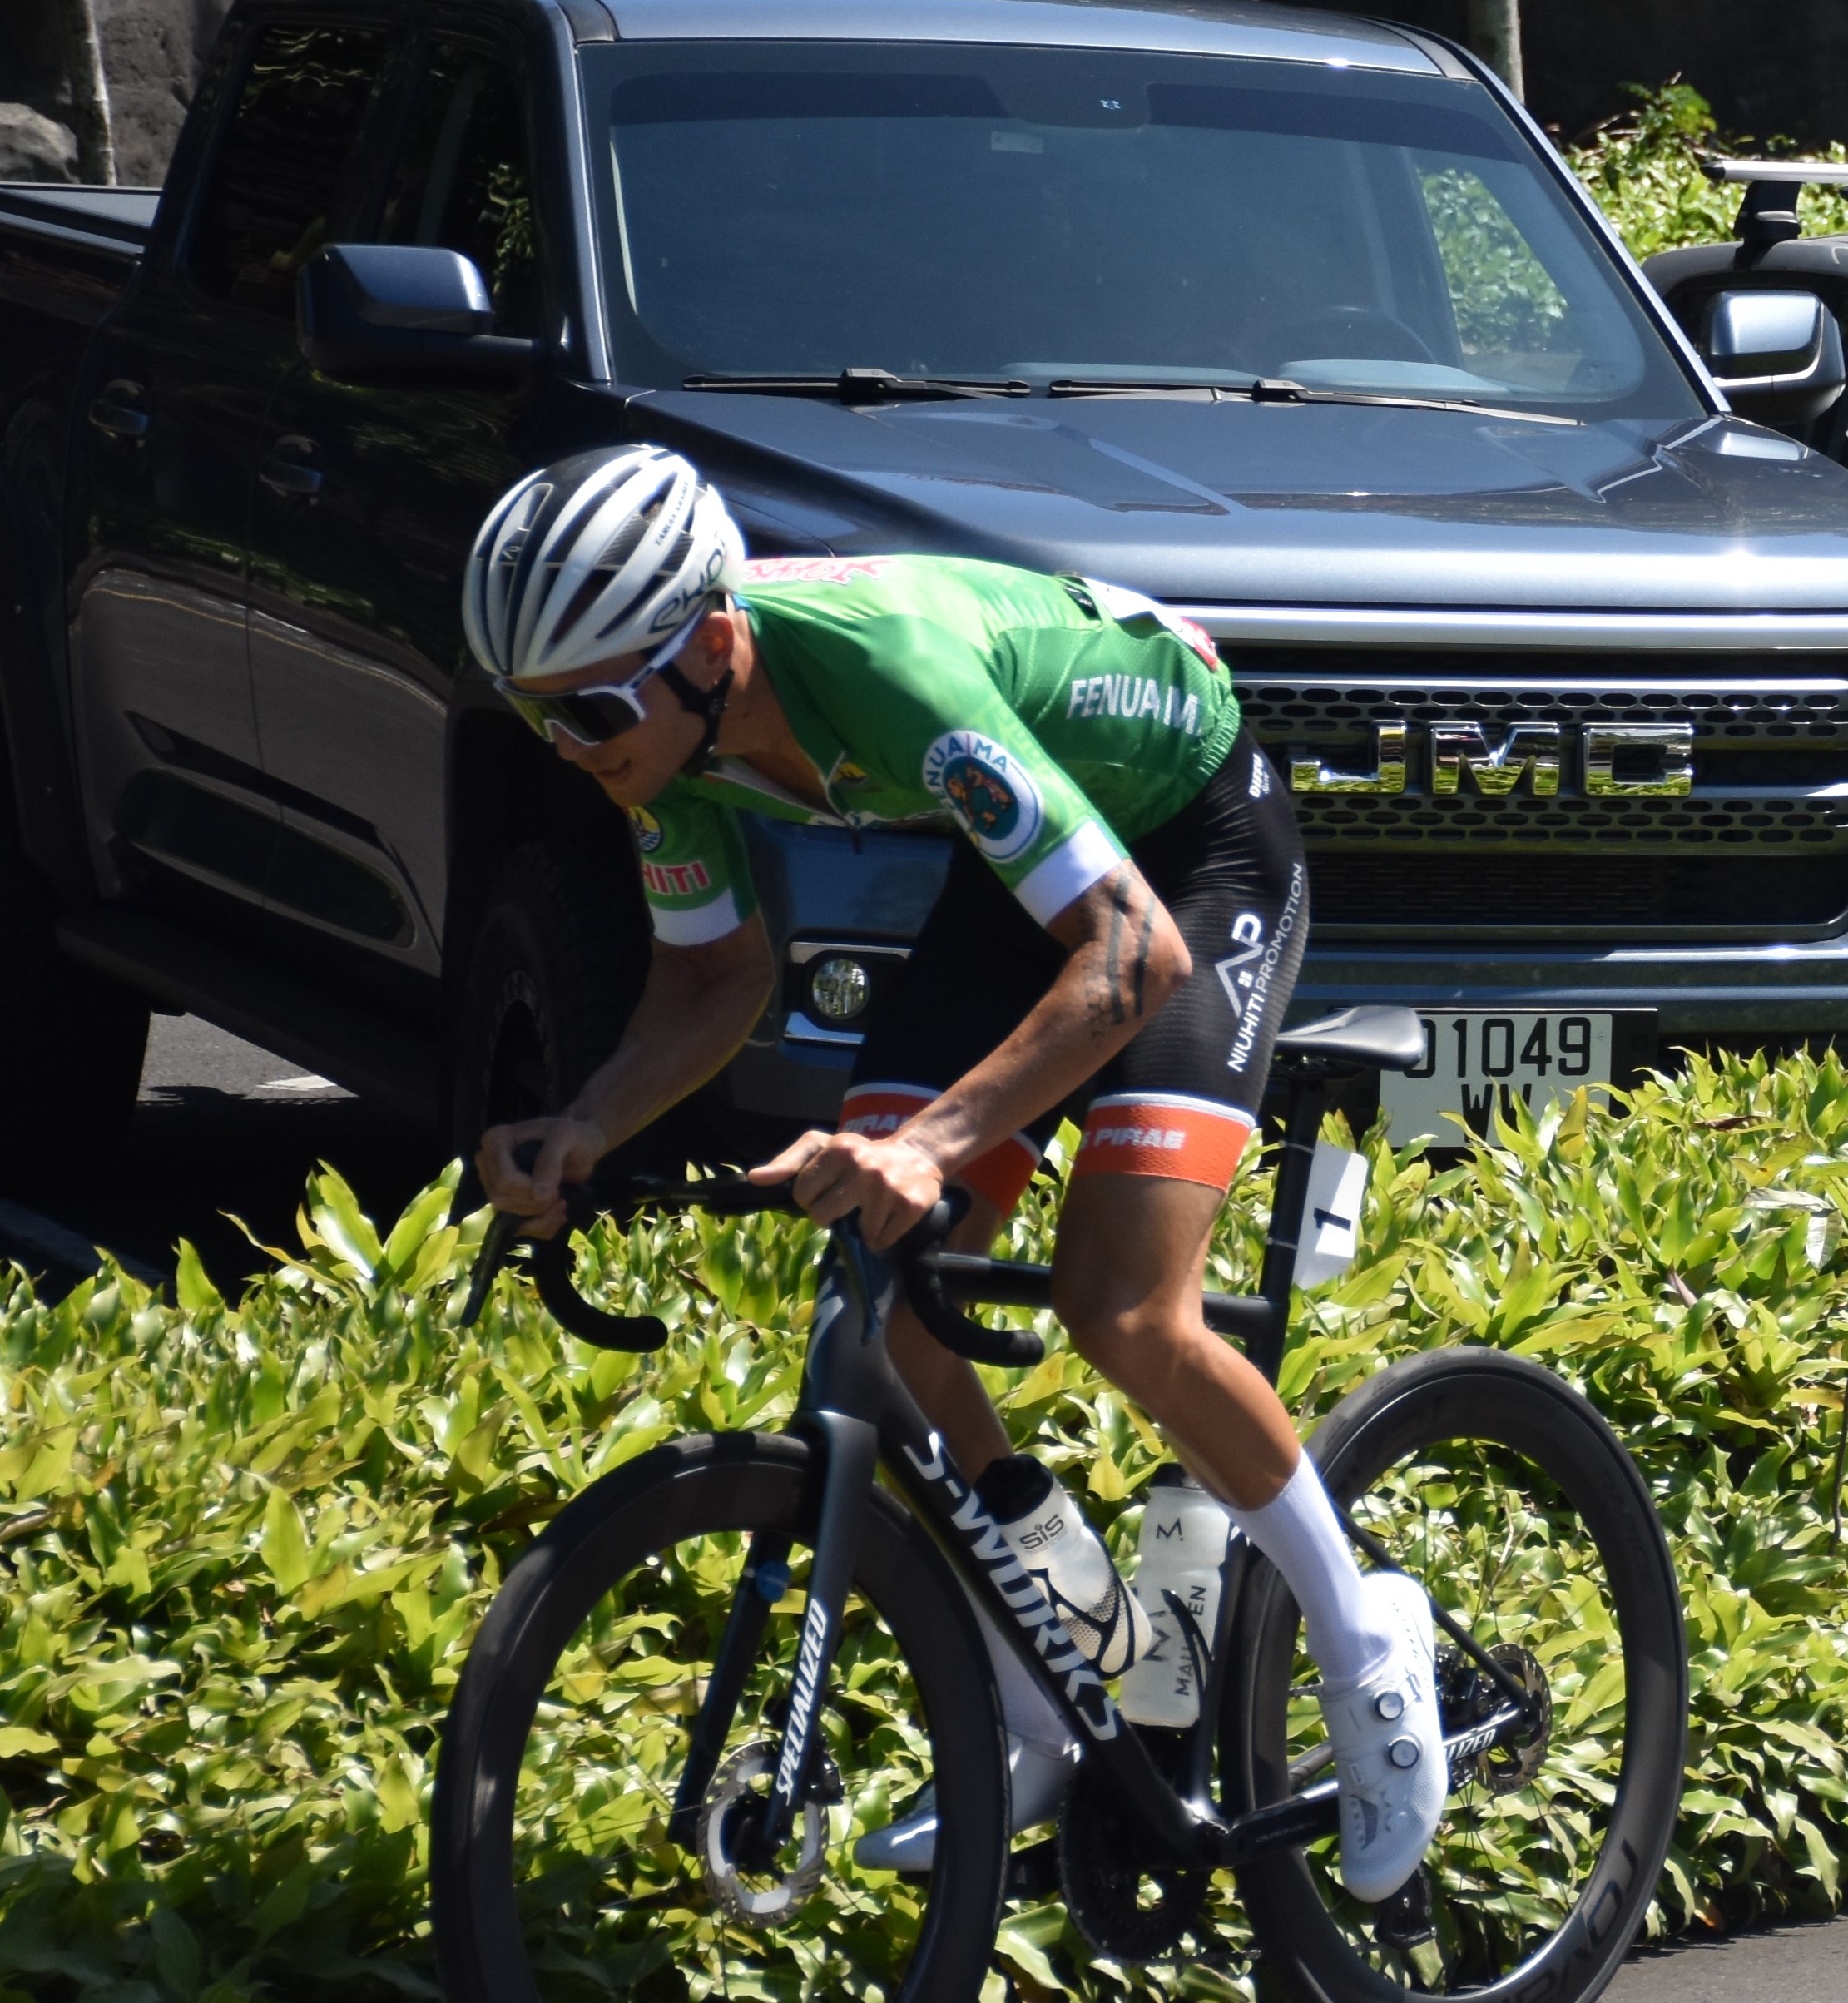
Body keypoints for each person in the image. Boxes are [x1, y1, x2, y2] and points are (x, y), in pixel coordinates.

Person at [459, 444, 1447, 1898]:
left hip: (1190, 857)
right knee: (881, 1309)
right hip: (1026, 873)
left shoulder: (889, 671)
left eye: (595, 708)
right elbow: (715, 974)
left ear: (712, 644)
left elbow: (1129, 957)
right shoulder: (657, 735)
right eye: (539, 719)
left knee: (1119, 1303)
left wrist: (924, 1142)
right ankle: (1054, 1697)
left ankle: (1368, 1645)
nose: (573, 747)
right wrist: (589, 1121)